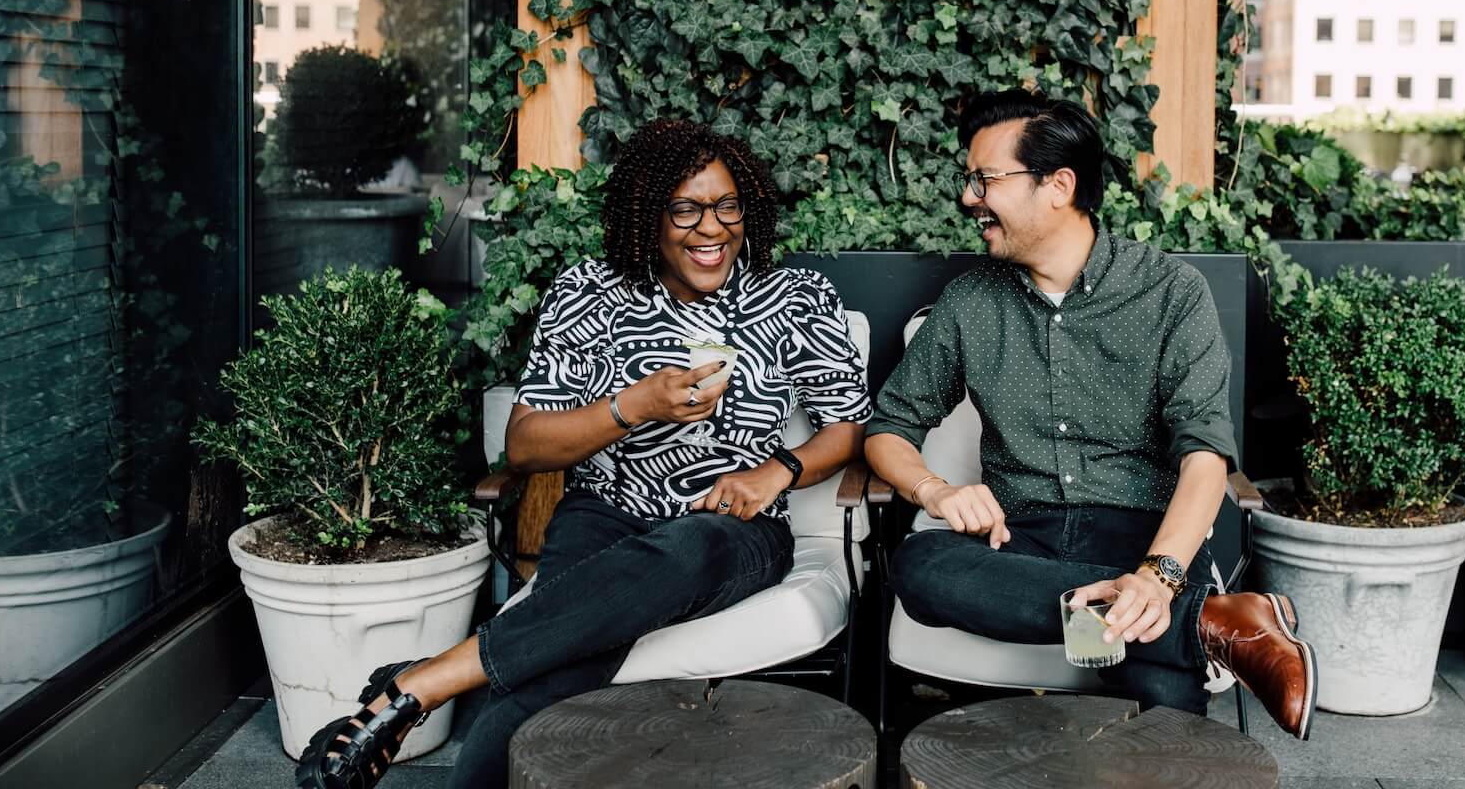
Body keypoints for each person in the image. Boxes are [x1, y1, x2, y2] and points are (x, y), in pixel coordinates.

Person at [297, 119, 872, 789]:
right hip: (604, 516)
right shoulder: (590, 294)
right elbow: (524, 445)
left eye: (727, 206)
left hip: (732, 529)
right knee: (559, 670)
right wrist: (635, 406)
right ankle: (422, 696)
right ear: (648, 216)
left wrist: (778, 471)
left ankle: (422, 683)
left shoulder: (796, 297)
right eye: (685, 209)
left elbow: (848, 426)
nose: (711, 228)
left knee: (687, 548)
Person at [865, 89, 1316, 738]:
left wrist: (1157, 578)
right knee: (920, 566)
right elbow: (887, 429)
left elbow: (1205, 457)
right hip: (1019, 540)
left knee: (1163, 718)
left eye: (986, 180)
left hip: (1145, 538)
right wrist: (934, 490)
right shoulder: (970, 302)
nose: (969, 197)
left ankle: (1167, 611)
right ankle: (1210, 621)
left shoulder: (1171, 292)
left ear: (1059, 185)